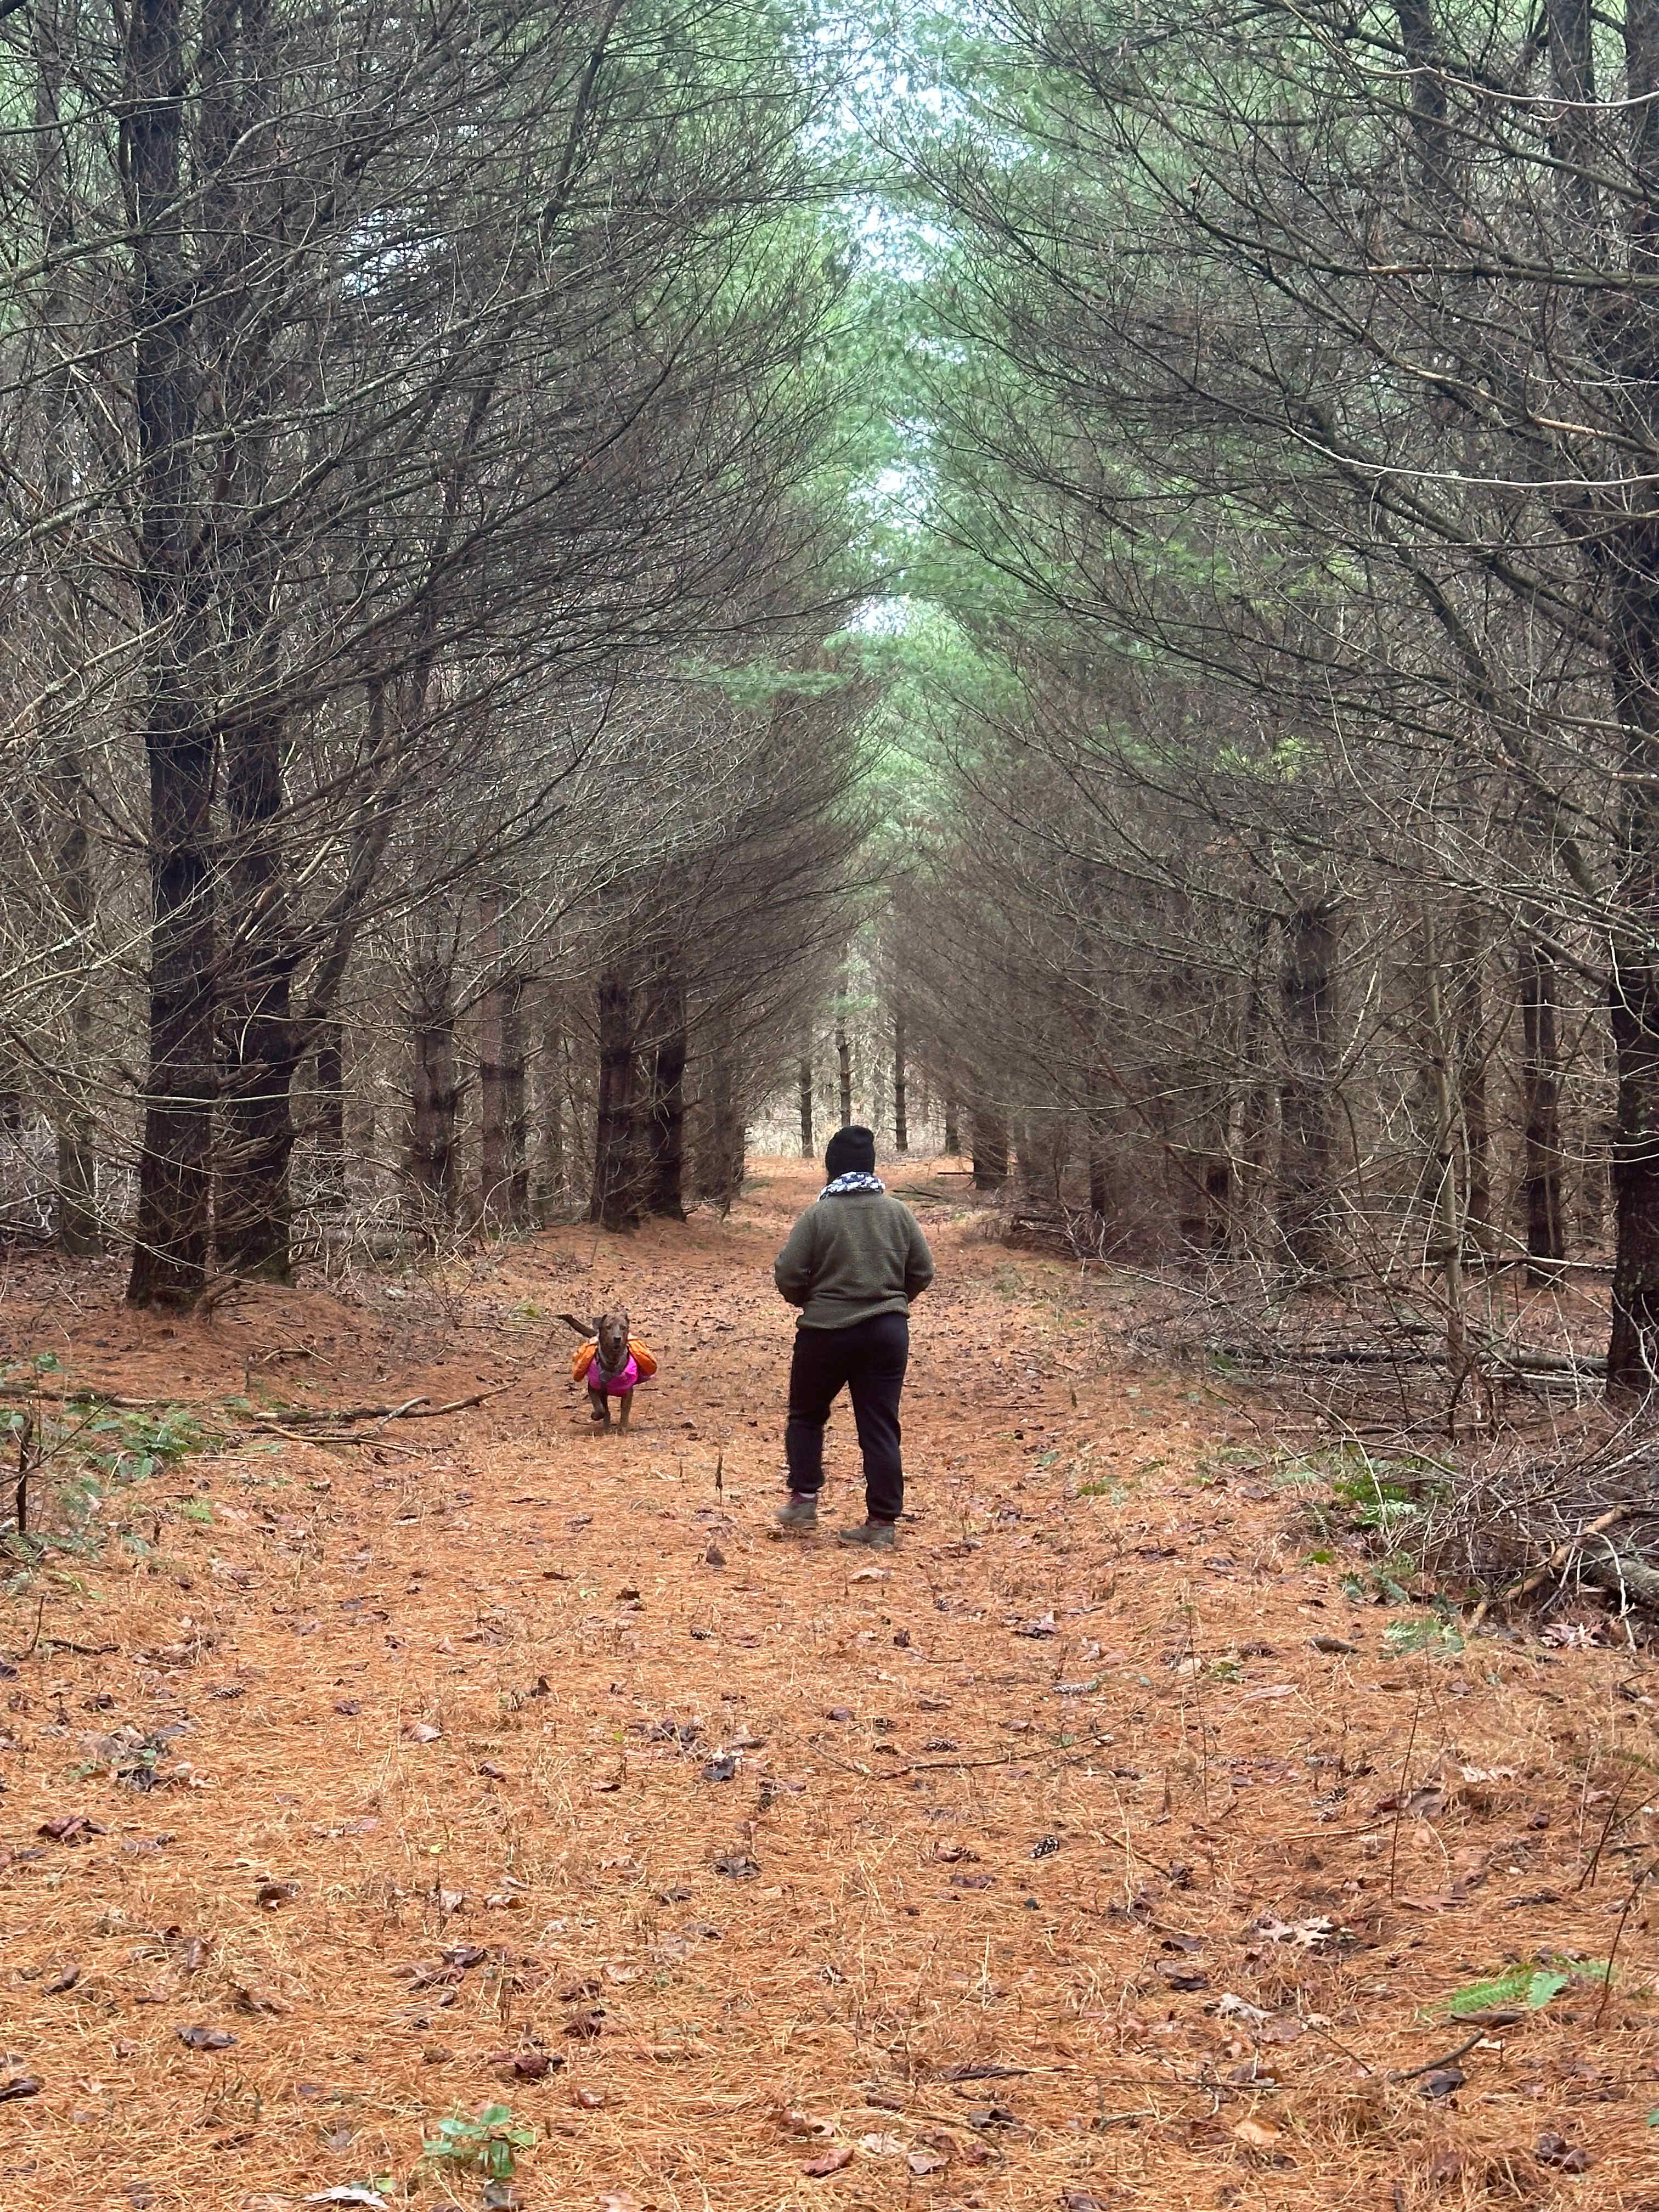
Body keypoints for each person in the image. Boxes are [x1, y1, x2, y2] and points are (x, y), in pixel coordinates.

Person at [772, 1124, 934, 1547]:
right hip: (886, 1334)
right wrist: (894, 1302)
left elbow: (789, 1272)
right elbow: (922, 1271)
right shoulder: (897, 1212)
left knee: (807, 1416)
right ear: (870, 1166)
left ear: (832, 1169)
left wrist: (806, 1300)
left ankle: (804, 1502)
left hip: (824, 1333)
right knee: (879, 1425)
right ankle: (882, 1524)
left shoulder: (818, 1215)